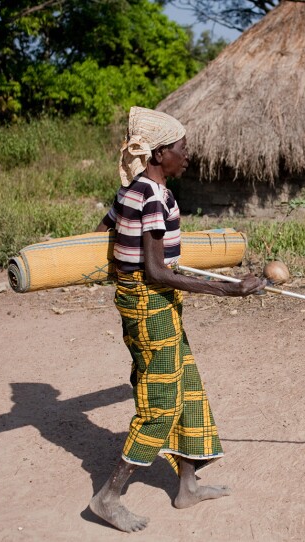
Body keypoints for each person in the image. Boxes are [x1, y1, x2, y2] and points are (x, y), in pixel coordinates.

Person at [89, 106, 265, 532]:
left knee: (186, 385)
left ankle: (186, 486)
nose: (188, 154)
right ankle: (108, 496)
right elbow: (155, 272)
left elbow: (102, 233)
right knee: (161, 401)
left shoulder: (132, 190)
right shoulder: (149, 194)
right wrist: (229, 289)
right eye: (182, 148)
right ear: (160, 152)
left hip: (153, 304)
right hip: (150, 304)